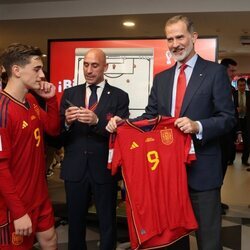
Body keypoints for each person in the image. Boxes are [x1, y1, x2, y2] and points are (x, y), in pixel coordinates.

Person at [106, 15, 236, 250]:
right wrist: (123, 123)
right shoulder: (162, 79)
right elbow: (150, 117)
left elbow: (228, 119)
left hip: (203, 171)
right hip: (167, 173)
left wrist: (199, 126)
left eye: (179, 37)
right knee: (173, 239)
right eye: (169, 39)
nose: (175, 43)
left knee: (209, 240)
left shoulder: (215, 73)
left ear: (193, 37)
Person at [59, 48, 129, 250]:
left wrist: (97, 121)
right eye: (86, 65)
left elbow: (121, 136)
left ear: (106, 67)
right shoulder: (70, 93)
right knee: (75, 221)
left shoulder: (119, 97)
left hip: (103, 169)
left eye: (95, 65)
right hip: (75, 169)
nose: (89, 70)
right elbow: (58, 135)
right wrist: (66, 123)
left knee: (107, 221)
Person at [0, 43, 59, 249]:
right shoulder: (2, 110)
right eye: (37, 69)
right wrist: (18, 211)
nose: (42, 75)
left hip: (39, 194)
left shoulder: (31, 100)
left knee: (50, 239)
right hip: (15, 203)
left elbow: (52, 129)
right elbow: (1, 168)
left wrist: (51, 101)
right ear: (16, 70)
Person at [219, 58, 238, 214]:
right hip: (218, 137)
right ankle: (213, 204)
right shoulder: (216, 87)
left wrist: (237, 132)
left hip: (228, 136)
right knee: (216, 171)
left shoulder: (231, 89)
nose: (233, 75)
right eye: (231, 71)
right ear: (224, 70)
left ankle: (217, 200)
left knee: (223, 168)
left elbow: (233, 113)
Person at [233, 78, 250, 166]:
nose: (242, 87)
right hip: (236, 121)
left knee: (247, 142)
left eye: (244, 85)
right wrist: (236, 110)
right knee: (233, 140)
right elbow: (229, 107)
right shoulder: (233, 94)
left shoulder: (249, 94)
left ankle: (244, 160)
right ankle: (230, 159)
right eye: (240, 85)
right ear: (237, 85)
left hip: (246, 121)